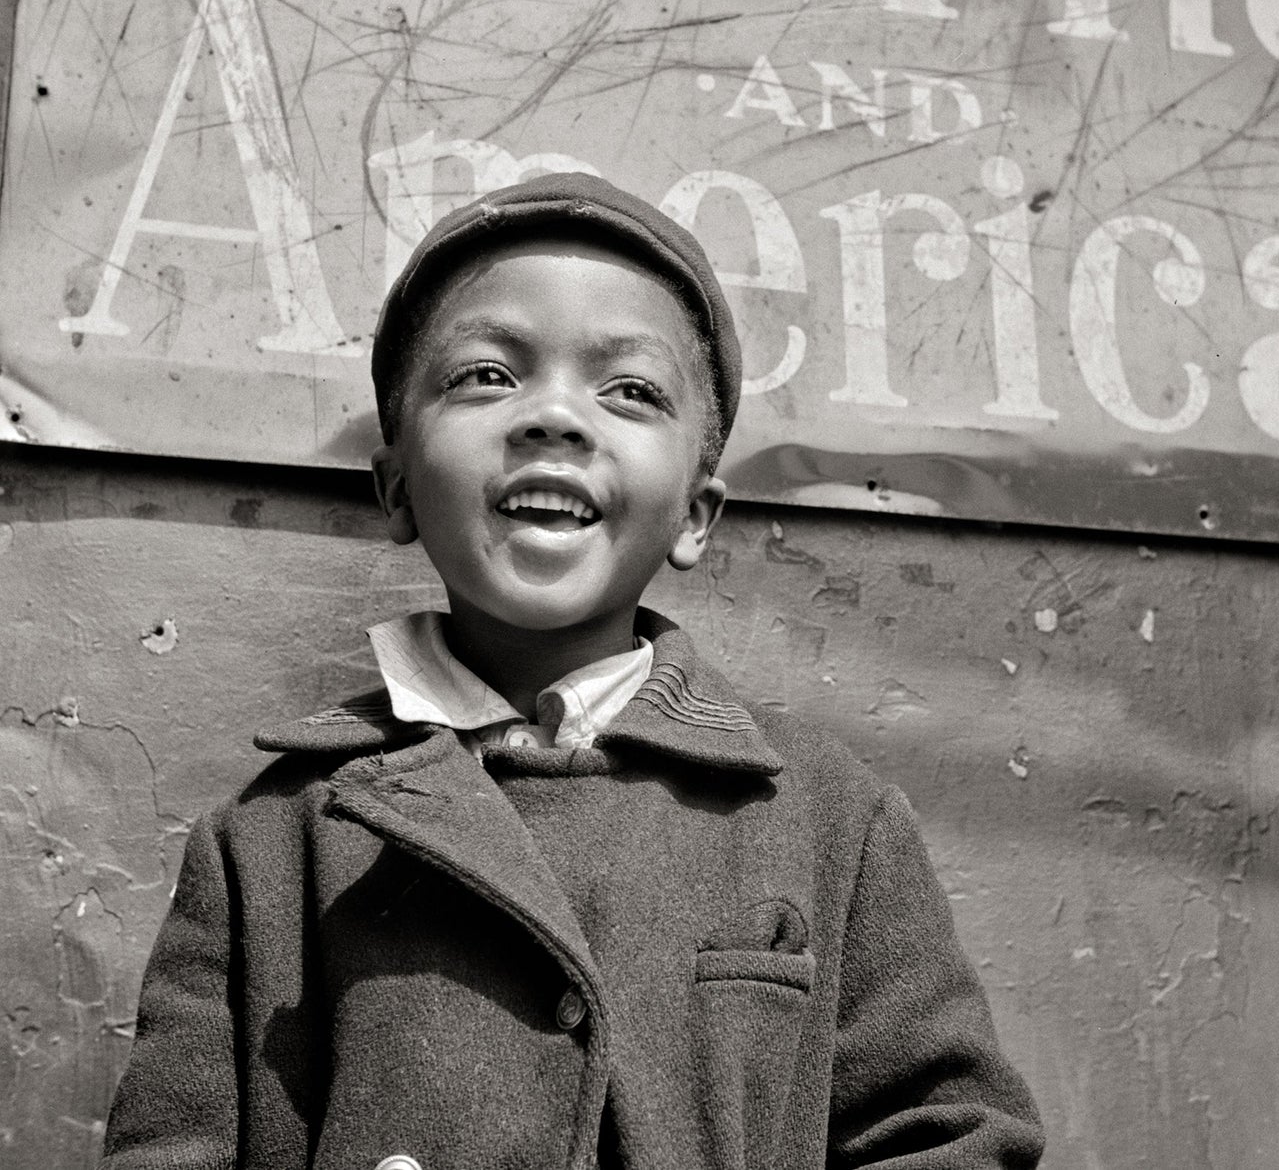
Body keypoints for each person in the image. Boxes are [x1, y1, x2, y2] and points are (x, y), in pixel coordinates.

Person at [100, 173, 1046, 1169]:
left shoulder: (830, 822)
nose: (554, 416)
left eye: (629, 390)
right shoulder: (271, 840)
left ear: (693, 515)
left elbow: (951, 1138)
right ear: (397, 489)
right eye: (484, 376)